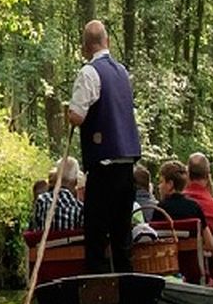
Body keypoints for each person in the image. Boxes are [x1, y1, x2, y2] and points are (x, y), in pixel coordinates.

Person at [66, 20, 141, 273]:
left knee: (96, 234)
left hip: (104, 168)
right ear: (106, 41)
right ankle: (127, 292)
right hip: (126, 166)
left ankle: (99, 293)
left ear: (86, 47)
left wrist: (69, 112)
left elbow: (77, 115)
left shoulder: (89, 72)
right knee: (122, 236)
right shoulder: (122, 72)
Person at [29, 157, 85, 232]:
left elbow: (34, 230)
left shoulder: (42, 200)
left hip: (45, 243)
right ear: (75, 182)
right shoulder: (80, 209)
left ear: (56, 178)